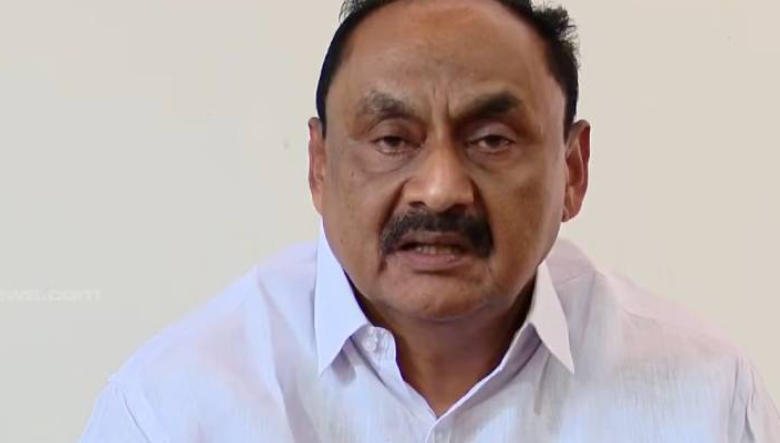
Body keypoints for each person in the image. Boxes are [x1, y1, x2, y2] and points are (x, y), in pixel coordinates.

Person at [78, 0, 780, 441]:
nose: (440, 190)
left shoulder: (706, 398)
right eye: (392, 140)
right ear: (320, 165)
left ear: (572, 170)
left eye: (491, 140)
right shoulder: (174, 407)